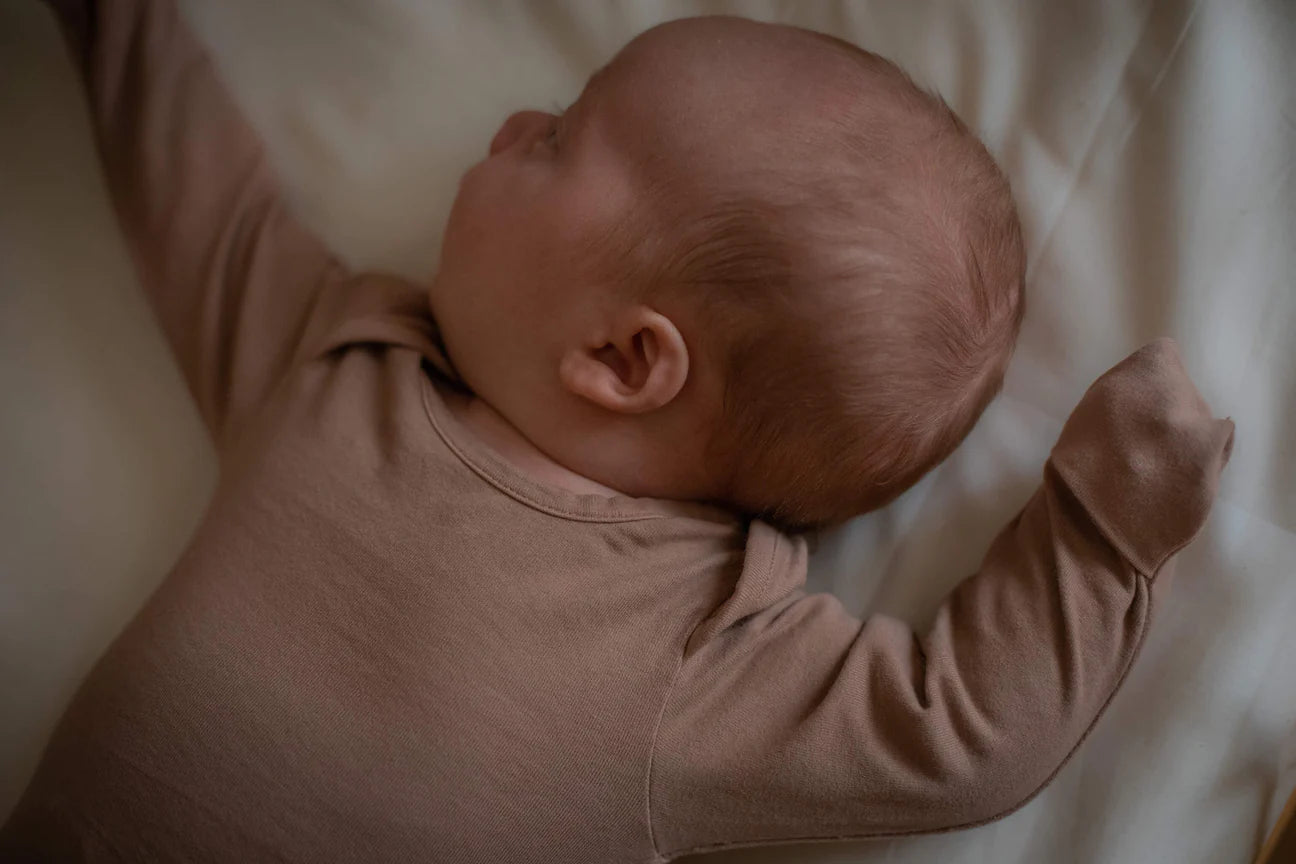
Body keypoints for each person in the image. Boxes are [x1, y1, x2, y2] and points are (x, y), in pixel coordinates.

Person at [2, 1, 1234, 861]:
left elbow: (962, 735)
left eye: (554, 138)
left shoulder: (701, 651)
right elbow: (195, 187)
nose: (505, 127)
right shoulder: (344, 357)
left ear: (623, 356)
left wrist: (1099, 520)